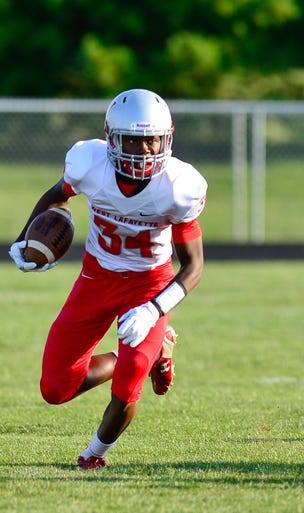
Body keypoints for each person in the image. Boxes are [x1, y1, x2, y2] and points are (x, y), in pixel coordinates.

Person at [8, 88, 207, 470]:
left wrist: (154, 309)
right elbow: (56, 197)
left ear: (167, 138)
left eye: (152, 140)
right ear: (112, 137)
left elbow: (193, 266)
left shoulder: (179, 186)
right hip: (96, 278)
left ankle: (93, 456)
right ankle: (148, 353)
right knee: (55, 388)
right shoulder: (89, 163)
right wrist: (26, 240)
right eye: (133, 138)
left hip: (149, 284)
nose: (144, 150)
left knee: (130, 380)